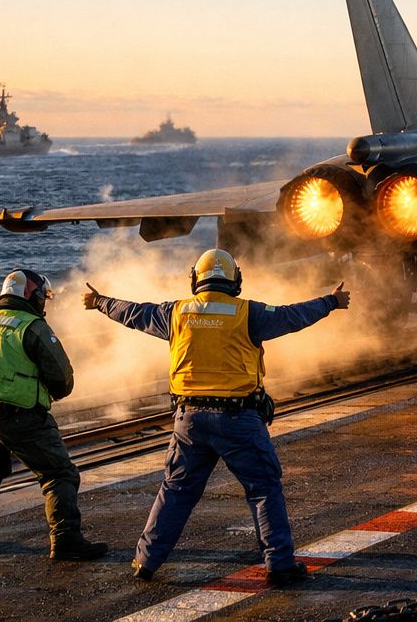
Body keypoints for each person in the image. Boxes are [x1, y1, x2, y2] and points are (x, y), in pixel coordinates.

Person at [83, 249, 350, 584]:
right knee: (264, 488)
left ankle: (146, 561)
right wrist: (331, 301)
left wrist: (100, 301)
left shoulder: (176, 313)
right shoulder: (249, 313)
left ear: (196, 278)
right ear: (234, 279)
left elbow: (133, 312)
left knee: (176, 490)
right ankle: (279, 565)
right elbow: (293, 316)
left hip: (189, 420)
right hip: (238, 419)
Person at [0, 269, 108, 561]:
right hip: (20, 415)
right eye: (42, 297)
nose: (43, 303)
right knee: (58, 473)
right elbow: (62, 378)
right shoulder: (31, 326)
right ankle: (66, 540)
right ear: (32, 296)